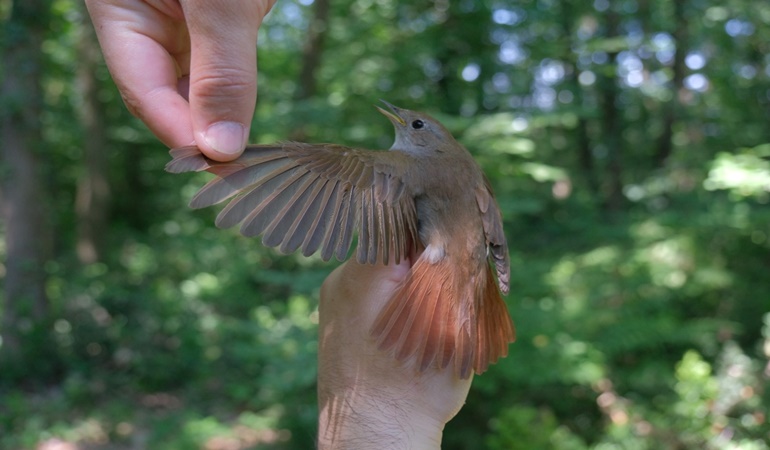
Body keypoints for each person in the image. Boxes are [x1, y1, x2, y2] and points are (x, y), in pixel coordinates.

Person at [84, 1, 473, 448]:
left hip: (434, 267)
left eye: (415, 123)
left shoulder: (388, 165)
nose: (404, 120)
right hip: (462, 259)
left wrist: (366, 406)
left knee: (335, 160)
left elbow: (324, 174)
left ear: (430, 139)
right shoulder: (467, 172)